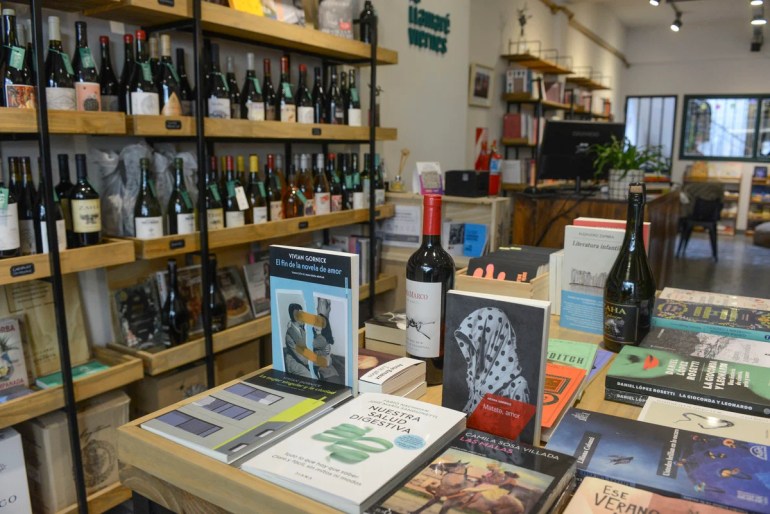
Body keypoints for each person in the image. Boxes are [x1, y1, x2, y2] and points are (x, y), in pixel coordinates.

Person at [283, 303, 311, 377]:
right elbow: (300, 356)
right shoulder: (289, 335)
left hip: (303, 361)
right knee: (309, 376)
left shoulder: (302, 331)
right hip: (293, 363)